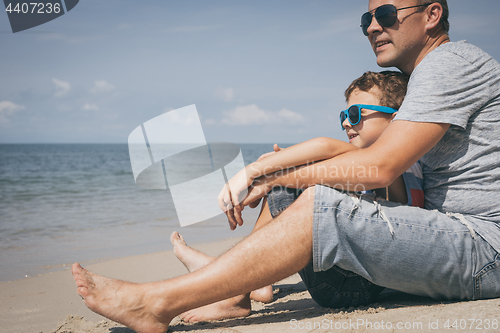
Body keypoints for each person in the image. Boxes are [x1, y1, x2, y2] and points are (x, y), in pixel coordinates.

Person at [72, 1, 500, 332]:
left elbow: (379, 168)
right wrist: (276, 175)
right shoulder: (427, 81)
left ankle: (157, 303)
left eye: (386, 13)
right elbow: (342, 153)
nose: (372, 26)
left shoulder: (449, 64)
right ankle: (234, 292)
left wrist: (267, 173)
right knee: (304, 192)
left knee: (323, 206)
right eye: (366, 18)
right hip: (457, 236)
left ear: (432, 15)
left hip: (484, 247)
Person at [171, 70, 423, 322]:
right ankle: (254, 281)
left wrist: (256, 172)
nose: (347, 122)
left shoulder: (392, 169)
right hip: (361, 278)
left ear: (396, 119)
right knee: (297, 183)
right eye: (344, 115)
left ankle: (236, 294)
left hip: (353, 287)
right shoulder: (408, 163)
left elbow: (326, 147)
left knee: (285, 191)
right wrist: (282, 166)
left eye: (356, 114)